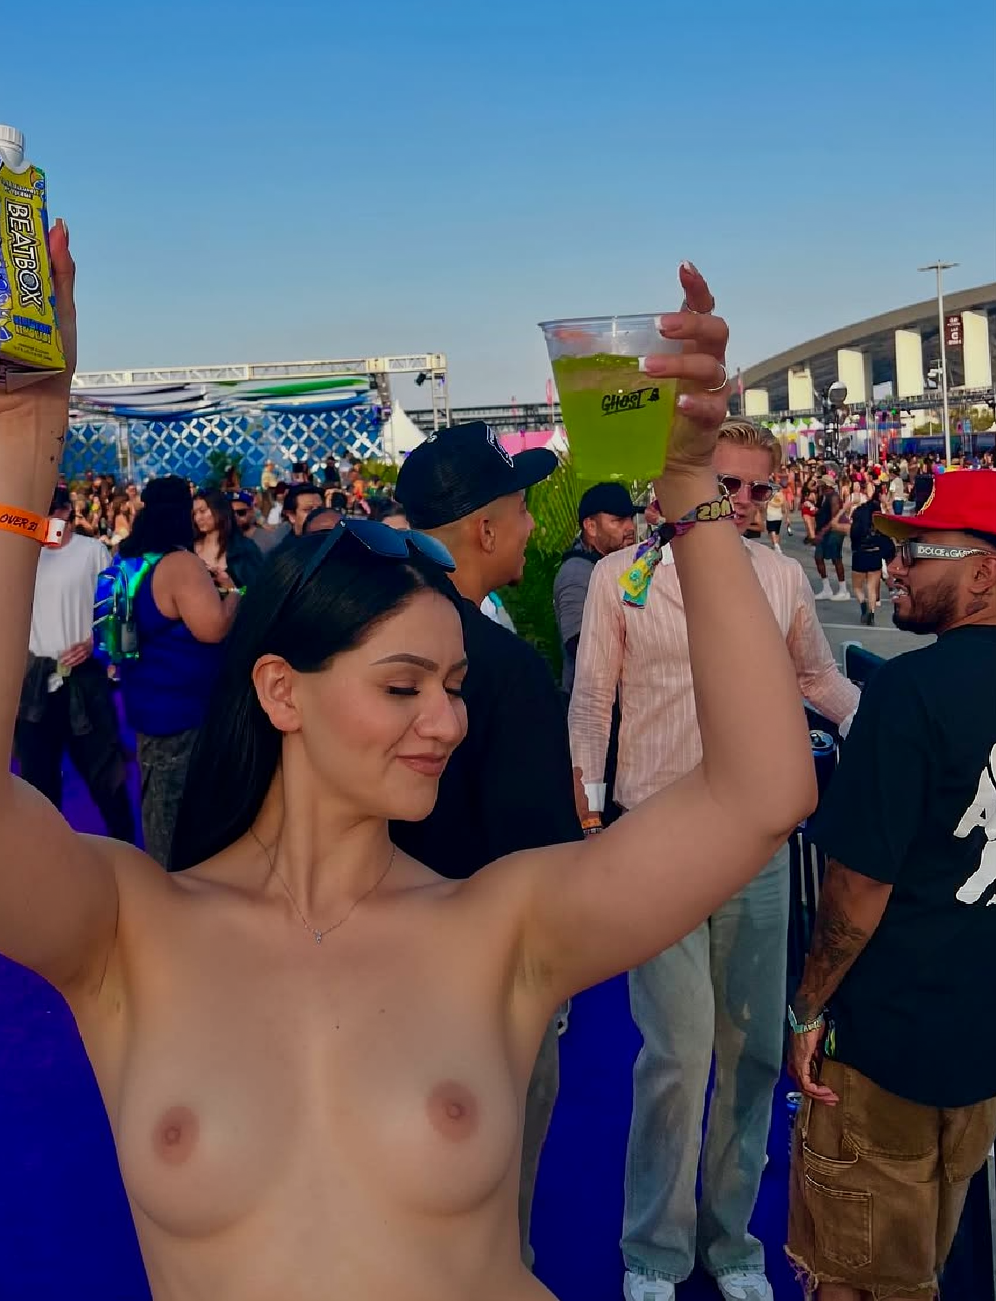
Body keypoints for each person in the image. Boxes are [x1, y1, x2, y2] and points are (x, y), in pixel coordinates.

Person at [0, 224, 816, 1301]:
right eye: (402, 686)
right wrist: (19, 433)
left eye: (454, 686)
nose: (447, 721)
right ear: (281, 690)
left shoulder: (502, 927)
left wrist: (692, 486)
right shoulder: (130, 930)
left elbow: (761, 793)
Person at [571, 418, 859, 1301]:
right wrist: (592, 817)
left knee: (754, 1050)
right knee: (679, 1050)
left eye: (755, 488)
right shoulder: (622, 579)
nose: (738, 501)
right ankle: (654, 1249)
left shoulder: (779, 577)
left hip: (756, 845)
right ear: (677, 486)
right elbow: (593, 700)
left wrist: (897, 726)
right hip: (654, 836)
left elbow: (817, 678)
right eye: (723, 483)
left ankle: (732, 1241)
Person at [786, 470, 996, 1301]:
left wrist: (807, 1010)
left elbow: (855, 890)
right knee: (928, 1261)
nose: (895, 565)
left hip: (882, 1053)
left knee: (854, 1277)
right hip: (977, 1049)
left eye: (918, 551)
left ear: (982, 573)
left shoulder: (908, 693)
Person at [394, 420, 587, 1266]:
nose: (531, 526)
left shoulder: (360, 641)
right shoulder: (501, 670)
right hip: (487, 984)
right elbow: (541, 858)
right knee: (493, 1219)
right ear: (482, 529)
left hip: (369, 968)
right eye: (520, 509)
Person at [118, 479, 238, 867]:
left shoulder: (129, 560)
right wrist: (233, 595)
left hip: (145, 699)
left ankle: (170, 880)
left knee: (159, 803)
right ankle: (177, 887)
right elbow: (213, 628)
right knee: (179, 814)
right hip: (184, 707)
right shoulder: (180, 564)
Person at [14, 487, 135, 843]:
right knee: (38, 781)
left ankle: (127, 851)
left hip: (85, 681)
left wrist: (95, 644)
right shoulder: (22, 557)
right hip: (34, 684)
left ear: (66, 511)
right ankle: (47, 856)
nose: (43, 518)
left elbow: (118, 609)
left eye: (49, 510)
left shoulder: (92, 551)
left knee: (104, 774)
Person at [552, 482, 640, 699]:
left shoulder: (618, 565)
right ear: (591, 527)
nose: (630, 527)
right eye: (618, 521)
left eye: (630, 518)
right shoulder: (576, 573)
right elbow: (580, 646)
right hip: (596, 704)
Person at [192, 486, 264, 590]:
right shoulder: (189, 549)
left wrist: (233, 589)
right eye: (194, 513)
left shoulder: (244, 549)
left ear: (220, 510)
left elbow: (257, 592)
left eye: (202, 511)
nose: (198, 518)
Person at [846, 481, 890, 627]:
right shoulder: (878, 523)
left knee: (857, 586)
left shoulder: (857, 523)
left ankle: (863, 605)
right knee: (872, 587)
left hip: (860, 554)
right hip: (875, 553)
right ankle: (871, 612)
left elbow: (848, 530)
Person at [812, 473, 850, 602]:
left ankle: (843, 589)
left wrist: (822, 532)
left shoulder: (833, 497)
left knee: (836, 558)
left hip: (834, 531)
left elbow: (834, 518)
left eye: (821, 484)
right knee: (818, 557)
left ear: (826, 485)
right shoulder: (824, 496)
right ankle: (826, 589)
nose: (819, 486)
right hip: (825, 530)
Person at [231, 489, 277, 555]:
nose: (235, 517)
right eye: (230, 513)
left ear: (252, 511)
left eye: (241, 512)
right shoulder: (223, 541)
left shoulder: (266, 540)